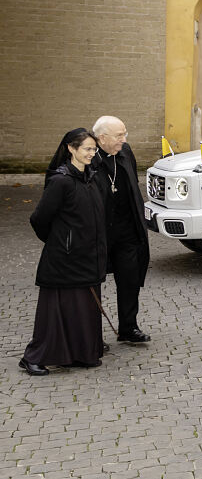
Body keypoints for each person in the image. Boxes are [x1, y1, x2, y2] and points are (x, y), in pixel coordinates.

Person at [19, 129, 106, 375]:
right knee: (55, 312)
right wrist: (61, 242)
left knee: (82, 308)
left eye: (93, 149)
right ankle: (33, 357)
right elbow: (39, 219)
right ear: (71, 149)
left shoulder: (91, 178)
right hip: (63, 260)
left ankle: (81, 354)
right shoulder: (61, 181)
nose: (92, 154)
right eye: (87, 149)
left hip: (88, 257)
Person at [92, 116, 150, 342]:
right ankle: (92, 336)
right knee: (93, 282)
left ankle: (128, 328)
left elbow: (132, 183)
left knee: (129, 280)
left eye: (124, 134)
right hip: (100, 233)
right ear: (102, 138)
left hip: (127, 230)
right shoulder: (89, 157)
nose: (124, 140)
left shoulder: (125, 152)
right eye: (119, 135)